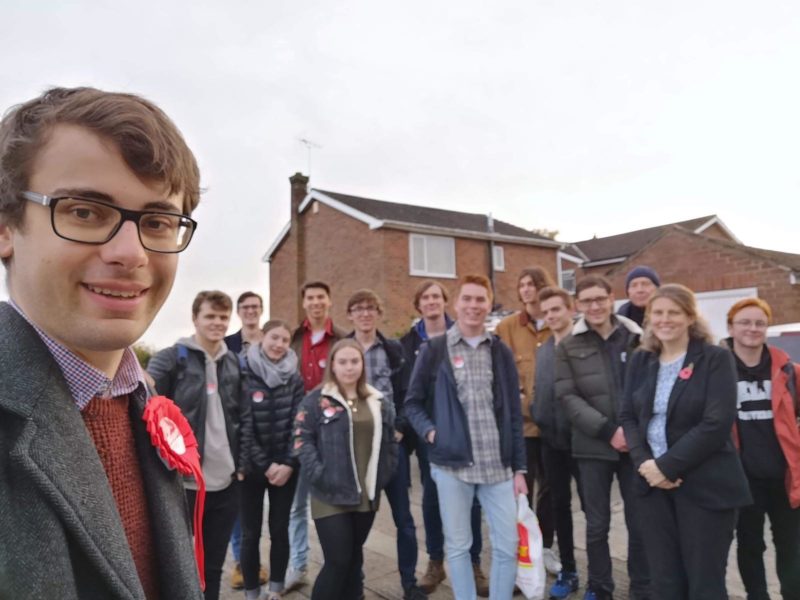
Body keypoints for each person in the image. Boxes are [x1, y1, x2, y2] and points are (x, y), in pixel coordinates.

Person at [0, 86, 203, 598]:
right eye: (86, 212)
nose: (130, 253)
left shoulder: (141, 399)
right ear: (6, 229)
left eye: (157, 222)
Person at [620, 284, 752, 599]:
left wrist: (666, 466)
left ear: (690, 317)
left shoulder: (715, 358)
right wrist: (645, 466)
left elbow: (716, 423)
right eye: (658, 313)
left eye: (674, 313)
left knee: (704, 584)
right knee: (665, 584)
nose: (665, 320)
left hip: (705, 487)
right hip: (652, 489)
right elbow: (627, 417)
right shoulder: (642, 360)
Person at [406, 274, 528, 600]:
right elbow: (413, 402)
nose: (474, 306)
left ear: (489, 305)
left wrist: (520, 468)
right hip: (451, 466)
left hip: (497, 466)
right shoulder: (435, 349)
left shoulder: (500, 352)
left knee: (507, 545)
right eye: (468, 299)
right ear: (456, 304)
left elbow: (514, 414)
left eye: (480, 300)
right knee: (458, 546)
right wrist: (432, 433)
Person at [148, 290, 248, 600]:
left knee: (213, 565)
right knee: (174, 564)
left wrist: (241, 466)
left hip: (226, 482)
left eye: (223, 317)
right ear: (195, 319)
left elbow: (243, 416)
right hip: (184, 484)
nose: (217, 322)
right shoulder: (172, 357)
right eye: (210, 316)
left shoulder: (233, 362)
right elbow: (148, 402)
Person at [555, 275, 650, 600]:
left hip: (635, 447)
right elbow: (567, 397)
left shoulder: (638, 338)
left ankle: (641, 588)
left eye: (600, 299)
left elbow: (649, 389)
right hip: (592, 447)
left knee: (640, 524)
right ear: (578, 305)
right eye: (587, 301)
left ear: (611, 298)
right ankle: (600, 587)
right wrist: (610, 431)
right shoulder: (568, 344)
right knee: (596, 525)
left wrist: (631, 432)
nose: (594, 306)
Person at [399, 279, 488, 596]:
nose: (432, 301)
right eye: (426, 297)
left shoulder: (463, 333)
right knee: (432, 497)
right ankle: (436, 562)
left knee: (471, 499)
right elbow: (407, 392)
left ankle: (473, 564)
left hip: (467, 432)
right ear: (419, 304)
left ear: (445, 302)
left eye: (437, 296)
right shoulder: (407, 343)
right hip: (429, 434)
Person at [293, 339, 397, 600]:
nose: (349, 367)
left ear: (362, 364)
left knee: (353, 560)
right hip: (330, 496)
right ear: (333, 365)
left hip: (366, 496)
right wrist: (320, 474)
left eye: (355, 361)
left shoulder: (377, 400)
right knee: (337, 561)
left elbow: (390, 442)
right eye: (343, 362)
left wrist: (384, 474)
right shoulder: (316, 401)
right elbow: (301, 440)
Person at [346, 289, 426, 600]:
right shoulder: (344, 349)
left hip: (391, 449)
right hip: (356, 450)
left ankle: (409, 582)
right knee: (357, 520)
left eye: (370, 308)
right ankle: (356, 581)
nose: (365, 313)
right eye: (358, 308)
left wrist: (402, 429)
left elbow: (407, 393)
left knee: (404, 519)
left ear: (378, 313)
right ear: (350, 314)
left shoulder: (393, 349)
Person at [724, 298, 800, 599]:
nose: (752, 329)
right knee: (751, 545)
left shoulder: (789, 371)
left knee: (792, 547)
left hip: (785, 478)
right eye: (745, 322)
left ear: (767, 328)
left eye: (759, 323)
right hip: (742, 479)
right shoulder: (717, 371)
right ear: (731, 327)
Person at [495, 267, 560, 575]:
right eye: (521, 285)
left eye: (531, 284)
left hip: (555, 426)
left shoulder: (557, 324)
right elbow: (500, 374)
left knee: (553, 490)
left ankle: (546, 546)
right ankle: (523, 552)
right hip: (523, 427)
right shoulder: (507, 327)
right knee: (522, 491)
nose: (526, 290)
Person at [285, 280, 347, 591]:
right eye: (310, 297)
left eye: (321, 296)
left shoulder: (343, 340)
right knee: (297, 506)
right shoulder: (295, 339)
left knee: (334, 505)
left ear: (329, 301)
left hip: (333, 433)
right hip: (299, 432)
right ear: (304, 302)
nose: (316, 302)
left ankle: (339, 566)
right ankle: (299, 565)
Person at [238, 320, 304, 600]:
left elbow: (299, 423)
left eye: (285, 340)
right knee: (251, 533)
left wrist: (288, 463)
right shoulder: (243, 371)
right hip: (253, 468)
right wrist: (265, 465)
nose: (279, 344)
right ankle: (252, 592)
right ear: (262, 337)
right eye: (274, 337)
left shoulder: (295, 377)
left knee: (280, 530)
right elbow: (243, 425)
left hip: (286, 470)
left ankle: (276, 590)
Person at [531, 286, 583, 599]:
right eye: (546, 311)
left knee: (594, 511)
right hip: (551, 443)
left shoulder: (585, 344)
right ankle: (569, 569)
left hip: (585, 444)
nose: (551, 316)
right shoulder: (544, 349)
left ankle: (603, 577)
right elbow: (540, 391)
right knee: (559, 507)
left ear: (570, 309)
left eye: (556, 309)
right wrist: (538, 414)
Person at [225, 290, 266, 590]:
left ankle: (269, 561)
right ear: (239, 312)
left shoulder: (274, 340)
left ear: (261, 310)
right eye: (246, 307)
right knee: (240, 505)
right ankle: (242, 562)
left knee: (275, 508)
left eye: (255, 307)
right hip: (239, 432)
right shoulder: (228, 346)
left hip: (271, 431)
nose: (251, 311)